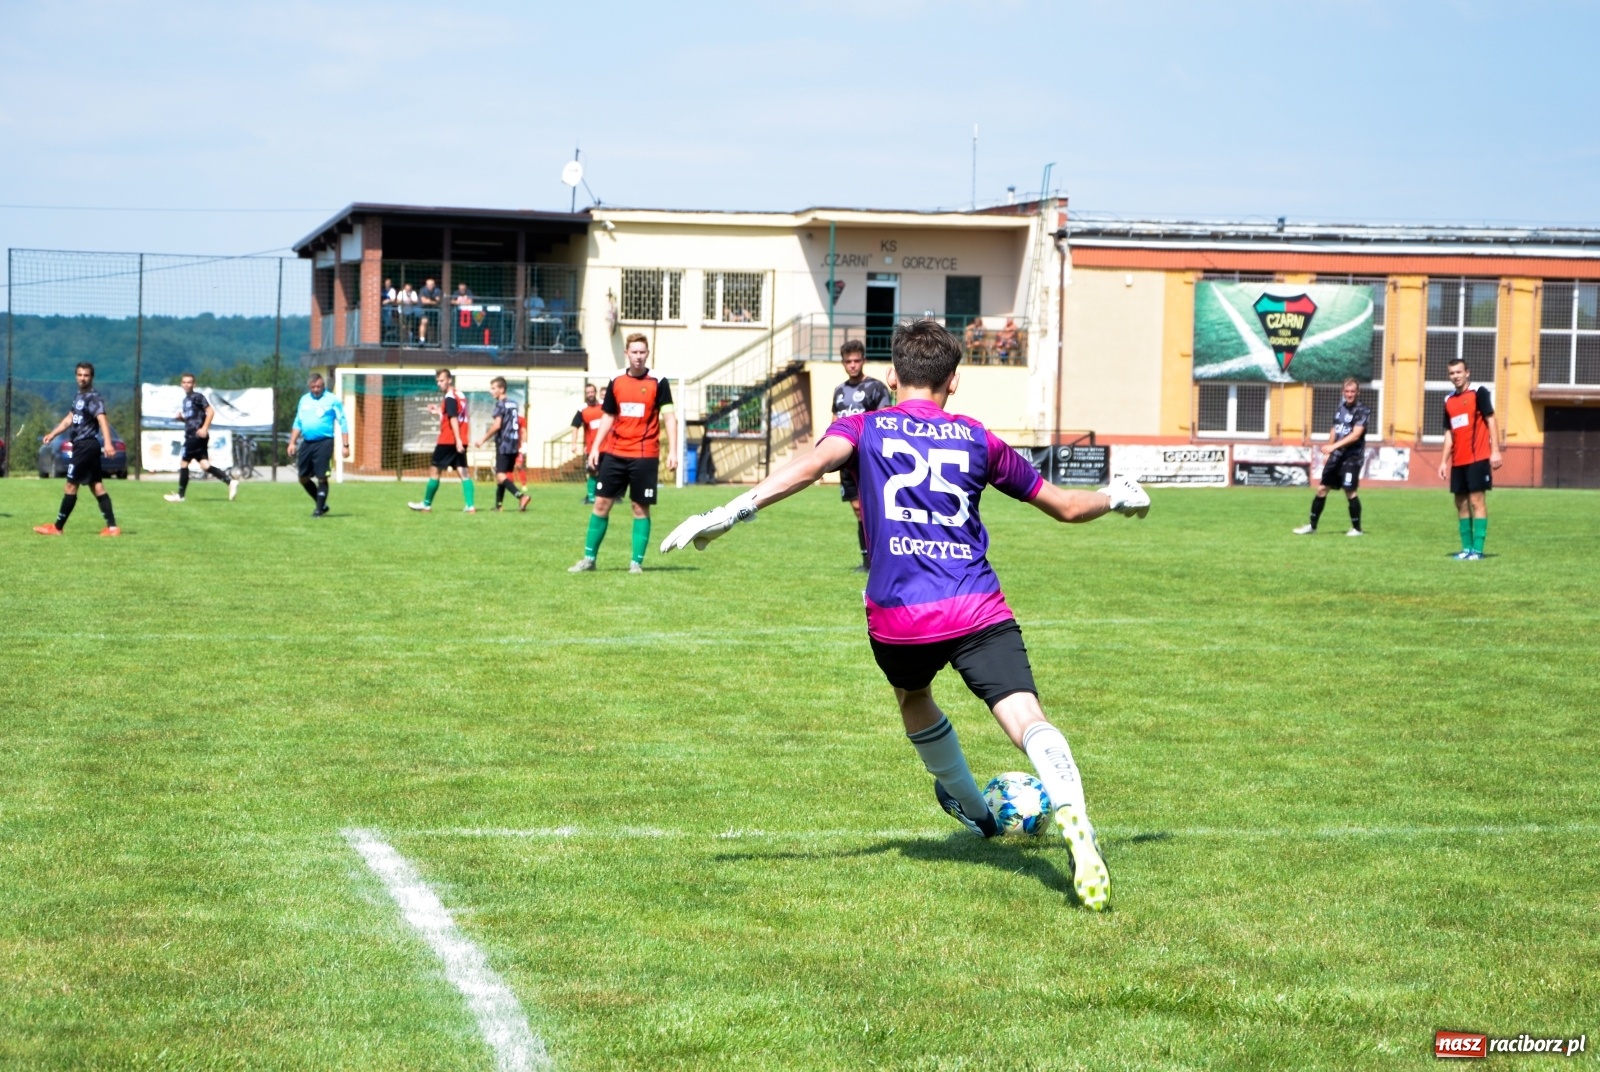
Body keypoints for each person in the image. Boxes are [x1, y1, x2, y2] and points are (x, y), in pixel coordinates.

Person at [659, 320, 1151, 911]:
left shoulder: (863, 425)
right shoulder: (978, 438)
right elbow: (1068, 508)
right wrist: (1117, 496)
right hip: (975, 604)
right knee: (1026, 717)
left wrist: (734, 508)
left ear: (891, 377)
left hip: (899, 617)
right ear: (955, 381)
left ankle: (972, 808)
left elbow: (811, 466)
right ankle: (1075, 816)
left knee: (914, 696)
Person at [568, 335, 678, 574]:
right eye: (634, 352)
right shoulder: (616, 380)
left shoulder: (659, 381)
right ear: (627, 353)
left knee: (640, 508)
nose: (638, 356)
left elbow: (669, 416)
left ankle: (636, 563)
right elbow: (607, 415)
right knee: (600, 504)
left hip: (645, 455)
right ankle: (588, 560)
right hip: (615, 453)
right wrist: (596, 446)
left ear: (647, 354)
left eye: (642, 352)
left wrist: (675, 452)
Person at [33, 361, 121, 537]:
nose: (82, 378)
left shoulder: (93, 397)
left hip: (85, 446)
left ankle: (57, 528)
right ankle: (112, 528)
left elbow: (102, 419)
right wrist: (53, 433)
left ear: (91, 377)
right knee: (96, 486)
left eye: (86, 375)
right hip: (86, 446)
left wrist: (109, 443)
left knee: (70, 486)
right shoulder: (79, 396)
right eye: (80, 375)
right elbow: (69, 418)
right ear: (76, 376)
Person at [831, 339, 893, 571]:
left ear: (863, 361)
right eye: (848, 361)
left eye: (857, 361)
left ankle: (882, 560)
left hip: (868, 458)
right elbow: (835, 422)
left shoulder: (876, 388)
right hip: (847, 460)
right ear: (843, 363)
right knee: (858, 509)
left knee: (875, 509)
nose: (853, 365)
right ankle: (867, 562)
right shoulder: (839, 391)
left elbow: (885, 420)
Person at [1436, 356, 1502, 560]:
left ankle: (1478, 550)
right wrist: (1443, 461)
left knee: (1476, 501)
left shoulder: (1479, 392)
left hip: (1478, 458)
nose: (1455, 376)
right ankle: (1466, 549)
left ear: (1467, 373)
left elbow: (1491, 420)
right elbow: (1449, 434)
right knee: (1460, 503)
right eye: (1452, 373)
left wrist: (1495, 450)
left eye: (1459, 372)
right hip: (1458, 461)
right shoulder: (1448, 401)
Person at [1293, 377, 1369, 537]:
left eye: (1353, 391)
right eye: (1347, 391)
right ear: (1343, 392)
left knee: (1349, 490)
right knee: (1321, 489)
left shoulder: (1362, 411)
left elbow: (1356, 435)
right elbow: (1335, 429)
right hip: (1336, 456)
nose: (1350, 394)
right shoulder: (1340, 407)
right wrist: (1329, 451)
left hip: (1352, 457)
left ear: (1358, 392)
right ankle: (1312, 527)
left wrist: (1333, 447)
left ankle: (1357, 529)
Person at [163, 373, 240, 503]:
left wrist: (204, 428)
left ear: (194, 384)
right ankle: (230, 481)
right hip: (194, 435)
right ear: (181, 384)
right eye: (184, 382)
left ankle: (180, 495)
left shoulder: (197, 397)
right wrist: (182, 419)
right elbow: (192, 420)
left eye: (189, 382)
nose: (187, 384)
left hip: (195, 436)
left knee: (184, 463)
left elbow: (210, 412)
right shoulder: (185, 400)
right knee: (205, 465)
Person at [408, 368, 476, 513]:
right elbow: (454, 414)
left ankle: (426, 504)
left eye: (442, 380)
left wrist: (456, 439)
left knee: (434, 470)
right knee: (463, 472)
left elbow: (453, 418)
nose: (439, 384)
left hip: (448, 440)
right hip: (461, 439)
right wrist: (439, 411)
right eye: (437, 381)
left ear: (449, 380)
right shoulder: (460, 395)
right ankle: (470, 506)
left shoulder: (449, 397)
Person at [286, 373, 350, 517]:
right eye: (313, 387)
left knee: (322, 476)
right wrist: (292, 442)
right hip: (307, 443)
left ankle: (318, 510)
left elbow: (343, 421)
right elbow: (298, 422)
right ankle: (322, 504)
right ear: (309, 386)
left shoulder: (332, 400)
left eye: (319, 386)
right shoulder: (304, 400)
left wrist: (345, 445)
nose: (316, 389)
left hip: (324, 442)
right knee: (303, 477)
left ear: (323, 386)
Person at [477, 376, 531, 512]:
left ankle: (521, 496)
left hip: (504, 444)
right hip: (513, 444)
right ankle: (498, 505)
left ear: (501, 389)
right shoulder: (514, 403)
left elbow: (497, 425)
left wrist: (482, 439)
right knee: (503, 474)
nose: (491, 391)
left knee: (500, 474)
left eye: (493, 388)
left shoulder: (500, 404)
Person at [570, 382, 605, 503]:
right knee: (593, 472)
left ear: (596, 393)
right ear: (585, 394)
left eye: (592, 392)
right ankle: (591, 497)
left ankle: (605, 496)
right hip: (592, 448)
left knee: (606, 473)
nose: (590, 394)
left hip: (607, 447)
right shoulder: (582, 410)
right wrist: (573, 443)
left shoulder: (604, 406)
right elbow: (575, 426)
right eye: (588, 392)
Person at [417, 278, 442, 345]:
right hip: (424, 310)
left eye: (431, 285)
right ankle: (422, 340)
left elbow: (438, 301)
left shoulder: (438, 291)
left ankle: (431, 342)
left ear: (434, 285)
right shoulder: (422, 290)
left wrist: (429, 301)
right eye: (428, 285)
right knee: (424, 322)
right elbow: (424, 301)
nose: (430, 286)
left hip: (434, 311)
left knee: (432, 327)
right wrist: (433, 301)